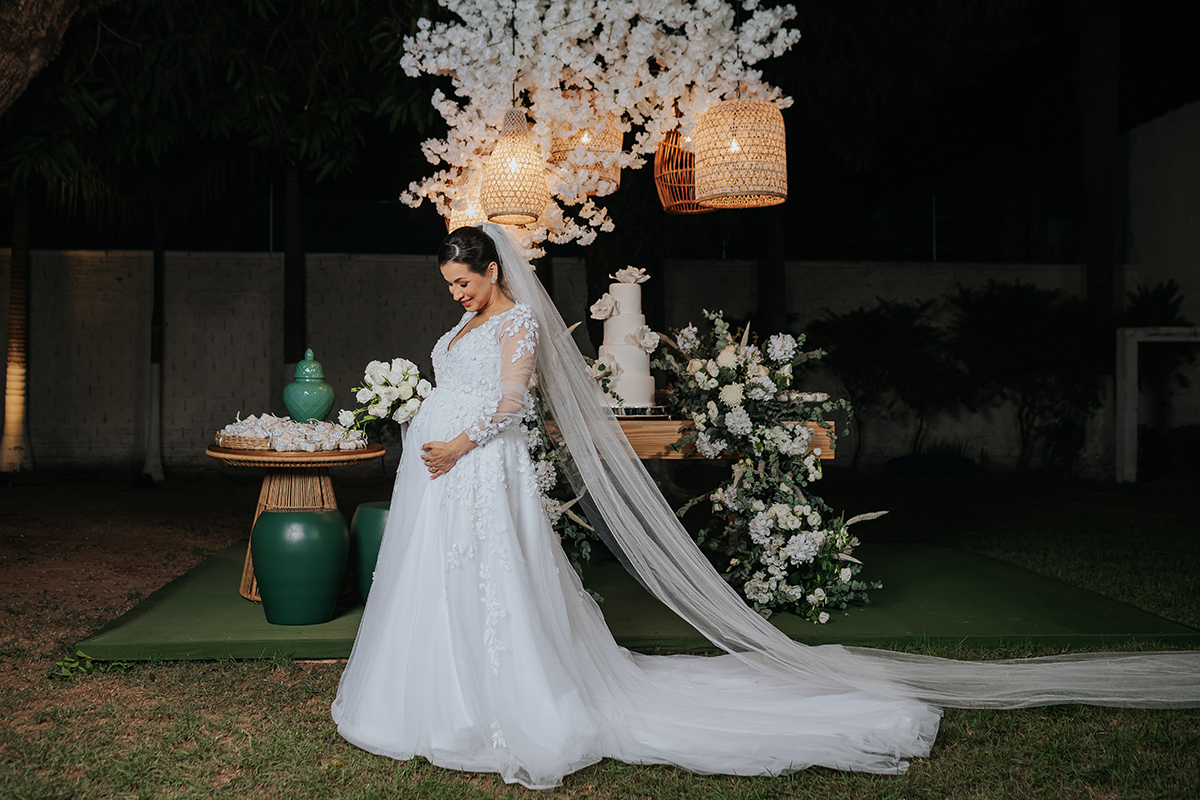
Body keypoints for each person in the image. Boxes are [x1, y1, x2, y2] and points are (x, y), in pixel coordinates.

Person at [332, 223, 1200, 790]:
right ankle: (432, 691)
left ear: (492, 269)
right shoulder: (456, 330)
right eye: (448, 285)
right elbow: (456, 379)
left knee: (499, 589)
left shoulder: (520, 321)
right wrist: (426, 437)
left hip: (482, 469)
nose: (456, 295)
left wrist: (460, 441)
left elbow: (520, 402)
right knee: (436, 586)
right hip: (440, 478)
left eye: (463, 282)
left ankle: (508, 694)